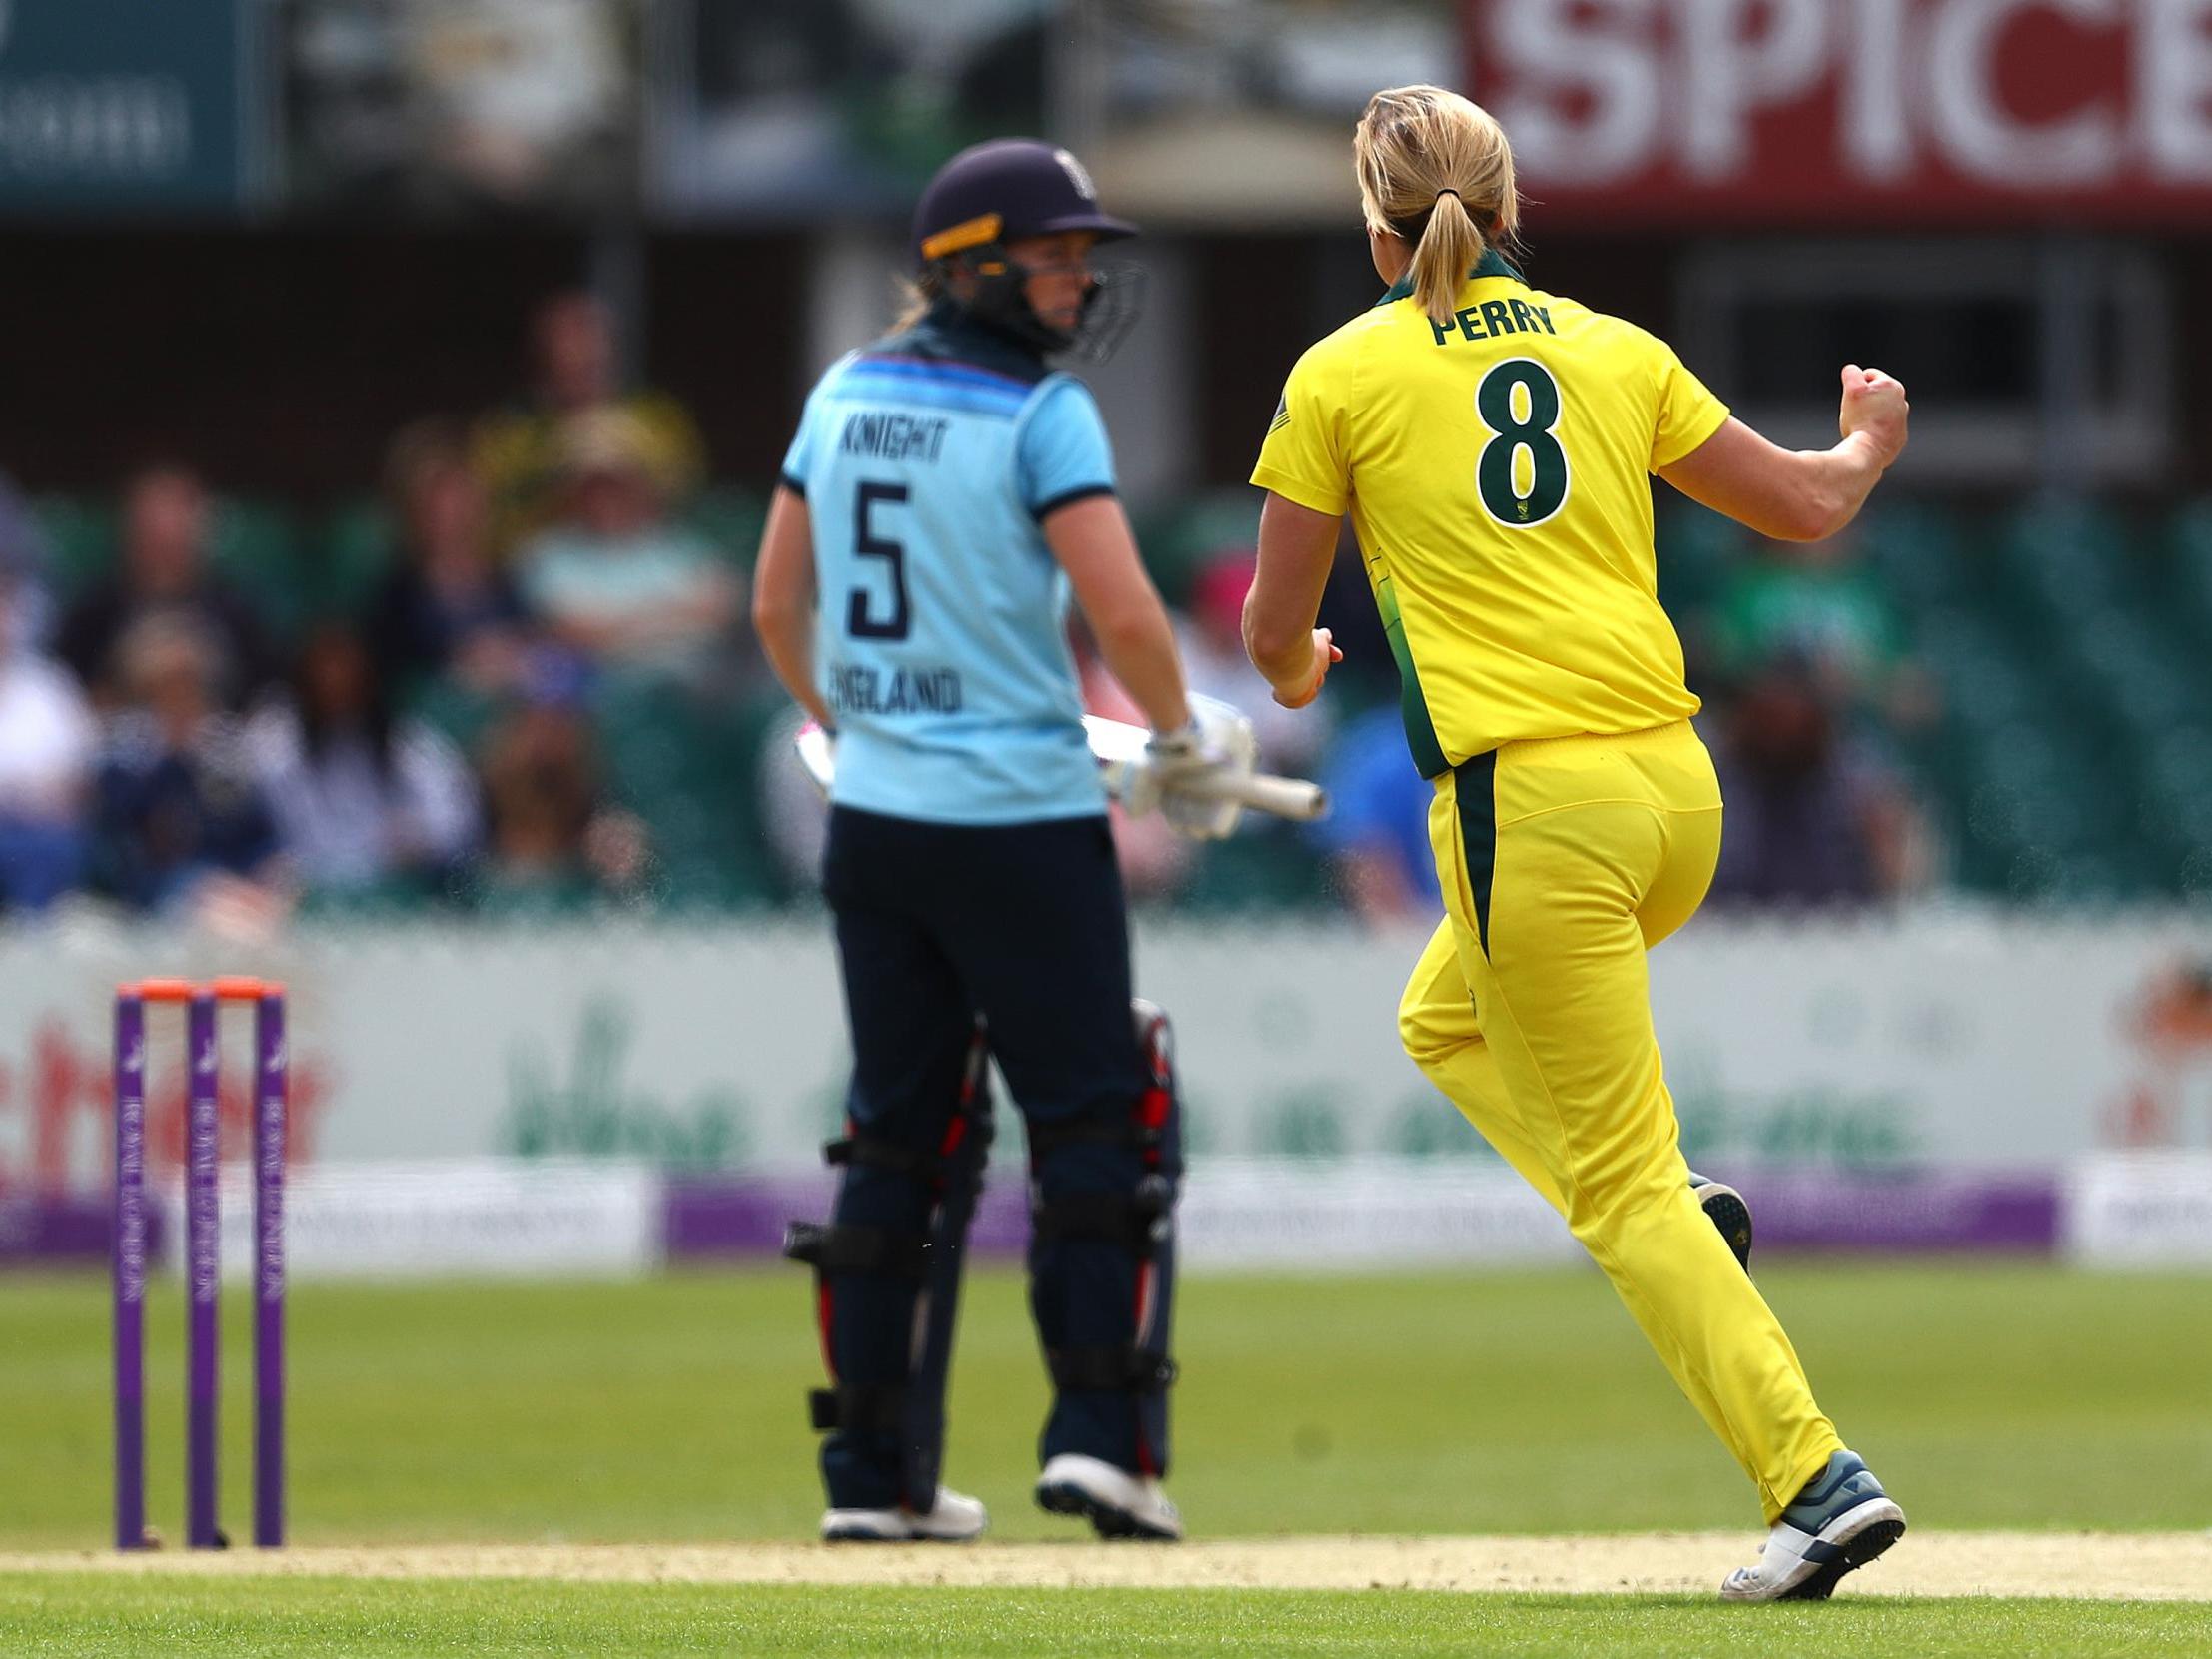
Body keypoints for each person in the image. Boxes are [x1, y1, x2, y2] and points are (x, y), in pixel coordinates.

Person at [1242, 85, 1911, 1601]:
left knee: (1617, 1188)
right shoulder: (1614, 348)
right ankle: (1690, 1226)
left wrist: (1295, 682)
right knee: (1439, 1018)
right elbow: (1807, 506)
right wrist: (1865, 443)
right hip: (1674, 795)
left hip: (1524, 810)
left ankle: (1814, 1480)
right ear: (1512, 206)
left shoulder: (1337, 374)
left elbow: (1276, 632)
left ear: (1373, 231)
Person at [753, 137, 1226, 1545]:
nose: (1079, 274)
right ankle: (1100, 1441)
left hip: (878, 825)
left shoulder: (839, 392)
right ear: (970, 265)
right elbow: (1128, 619)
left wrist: (851, 721)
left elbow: (780, 606)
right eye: (1055, 251)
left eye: (1085, 252)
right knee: (1091, 1120)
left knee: (900, 1143)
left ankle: (875, 1479)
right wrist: (1181, 739)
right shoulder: (1041, 415)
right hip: (1022, 821)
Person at [247, 625, 481, 906]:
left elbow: (456, 821)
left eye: (349, 676)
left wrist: (421, 836)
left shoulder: (407, 745)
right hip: (302, 896)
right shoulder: (271, 747)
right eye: (324, 676)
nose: (336, 685)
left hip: (392, 894)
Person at [473, 289, 706, 556]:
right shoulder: (511, 430)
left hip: (643, 564)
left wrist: (626, 459)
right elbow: (491, 515)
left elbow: (686, 498)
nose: (581, 357)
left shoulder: (659, 418)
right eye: (567, 346)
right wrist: (559, 466)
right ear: (543, 359)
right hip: (543, 571)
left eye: (591, 347)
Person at [56, 463, 273, 710]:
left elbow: (262, 703)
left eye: (176, 513)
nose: (164, 529)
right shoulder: (93, 613)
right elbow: (68, 704)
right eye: (152, 515)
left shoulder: (237, 612)